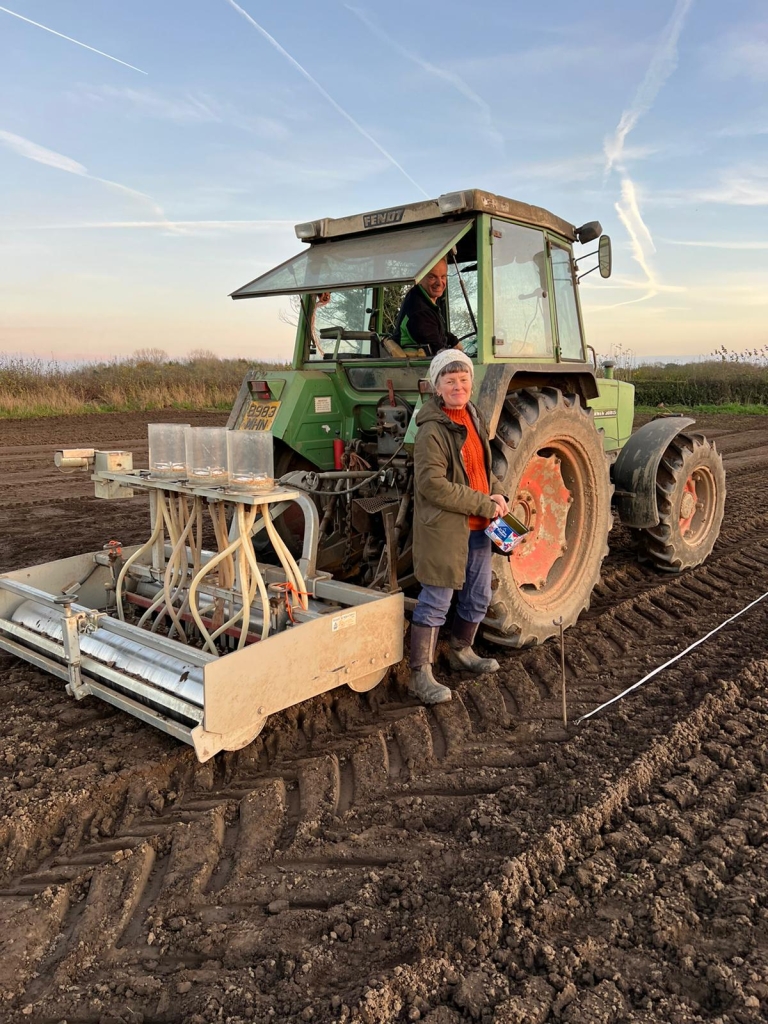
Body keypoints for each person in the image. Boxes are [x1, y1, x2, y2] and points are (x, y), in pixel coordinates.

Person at [409, 349, 510, 705]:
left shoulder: (473, 416)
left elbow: (482, 467)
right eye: (450, 381)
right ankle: (420, 674)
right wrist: (484, 503)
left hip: (480, 524)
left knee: (478, 594)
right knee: (436, 598)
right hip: (446, 528)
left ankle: (461, 650)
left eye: (463, 379)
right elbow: (432, 485)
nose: (458, 386)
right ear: (437, 387)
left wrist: (497, 494)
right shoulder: (432, 431)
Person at [390, 258, 460, 356]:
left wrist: (453, 341)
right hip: (417, 368)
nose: (440, 283)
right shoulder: (420, 311)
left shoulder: (422, 298)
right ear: (419, 277)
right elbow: (439, 352)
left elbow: (438, 333)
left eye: (443, 276)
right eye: (432, 277)